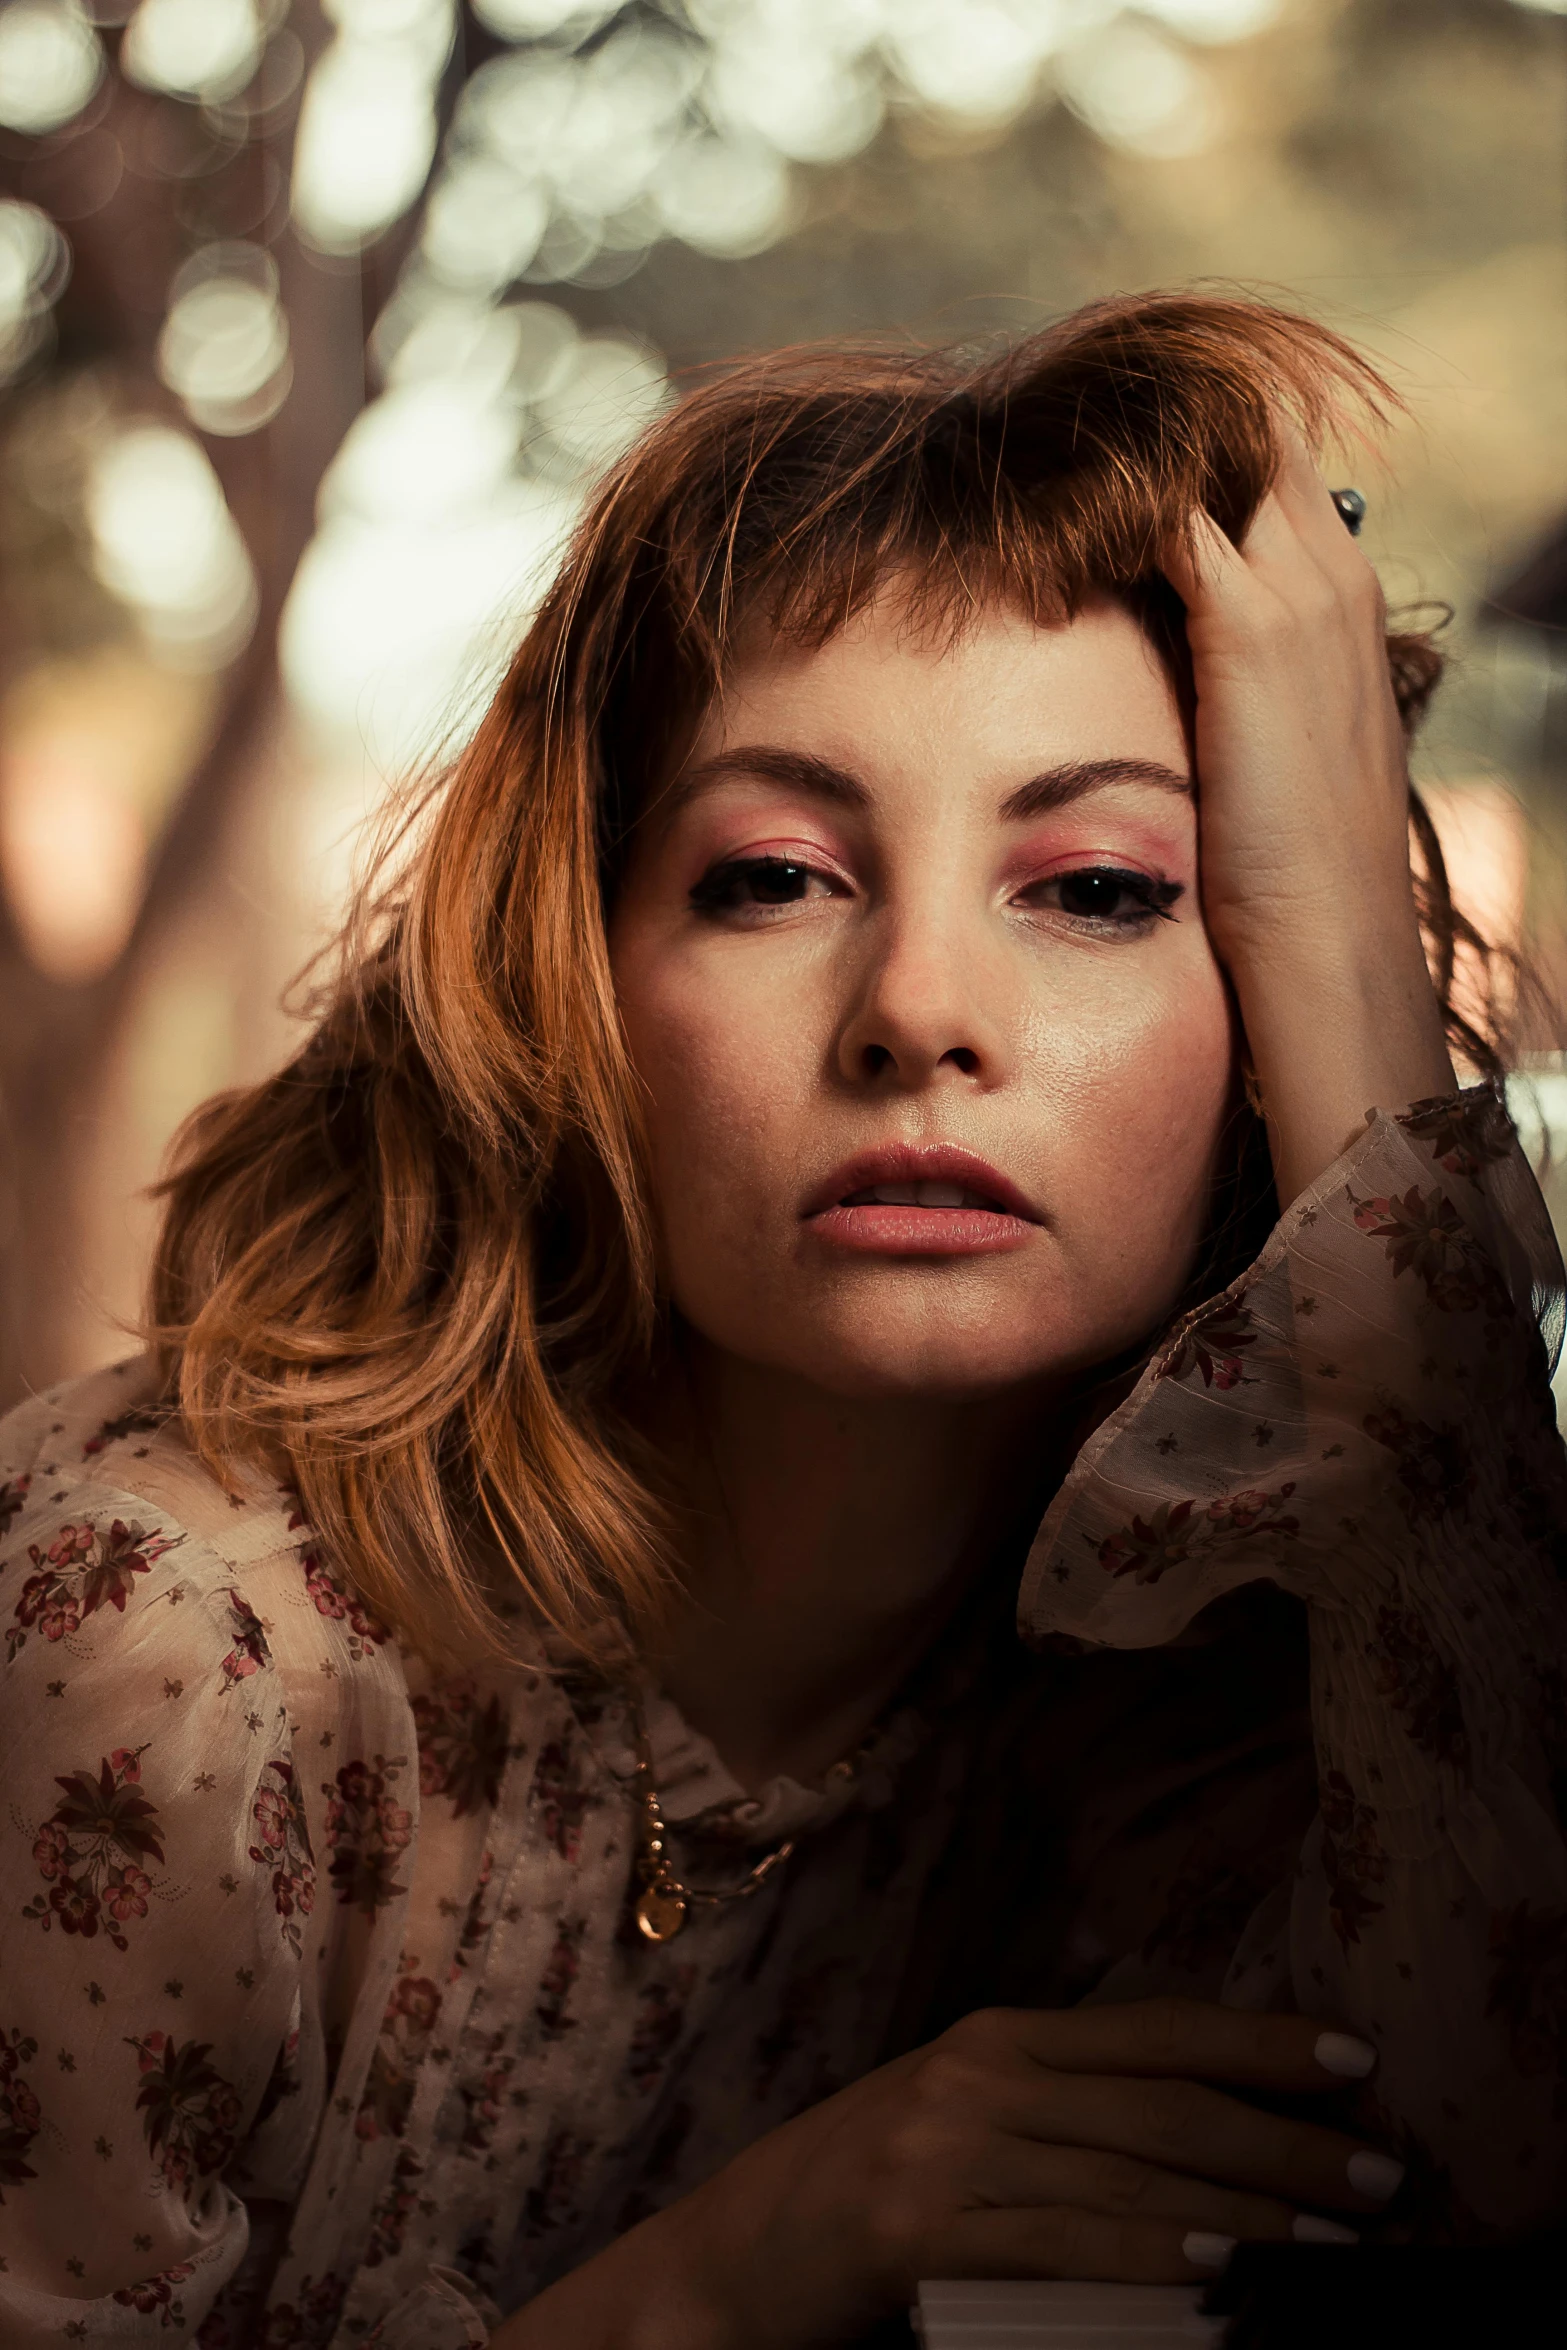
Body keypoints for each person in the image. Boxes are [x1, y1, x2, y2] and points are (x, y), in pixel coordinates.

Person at [2, 293, 1564, 2350]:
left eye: (1099, 887)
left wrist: (1362, 973)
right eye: (771, 877)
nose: (921, 1008)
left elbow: (1500, 2144)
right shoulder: (160, 1651)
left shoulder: (1182, 1671)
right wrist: (746, 2264)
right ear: (578, 979)